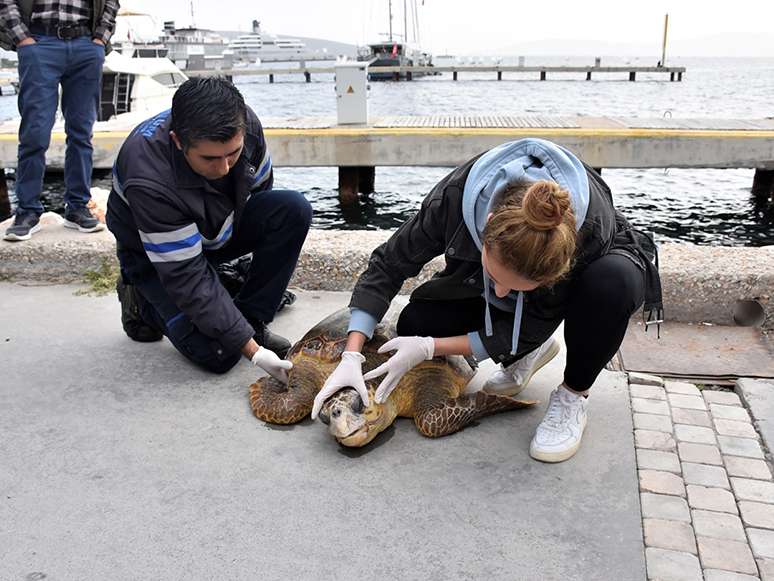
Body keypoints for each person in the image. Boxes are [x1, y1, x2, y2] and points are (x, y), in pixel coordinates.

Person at [311, 138, 662, 463]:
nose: (502, 294)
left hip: (595, 273)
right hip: (511, 265)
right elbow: (388, 264)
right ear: (487, 225)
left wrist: (430, 350)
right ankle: (530, 349)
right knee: (418, 324)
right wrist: (353, 353)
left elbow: (535, 319)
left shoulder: (590, 230)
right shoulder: (453, 199)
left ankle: (573, 396)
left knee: (610, 285)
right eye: (496, 279)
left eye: (518, 288)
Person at [106, 76, 312, 379]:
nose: (224, 169)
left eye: (233, 153)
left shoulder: (246, 126)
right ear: (178, 141)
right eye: (209, 158)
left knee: (292, 209)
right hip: (156, 257)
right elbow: (185, 274)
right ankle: (140, 297)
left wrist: (244, 323)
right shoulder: (147, 176)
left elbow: (261, 196)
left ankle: (250, 318)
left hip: (213, 228)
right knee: (220, 355)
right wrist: (253, 352)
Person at [0, 0, 118, 241]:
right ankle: (27, 210)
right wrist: (22, 39)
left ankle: (77, 206)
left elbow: (110, 3)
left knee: (82, 133)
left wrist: (99, 40)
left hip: (86, 44)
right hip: (39, 42)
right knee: (34, 132)